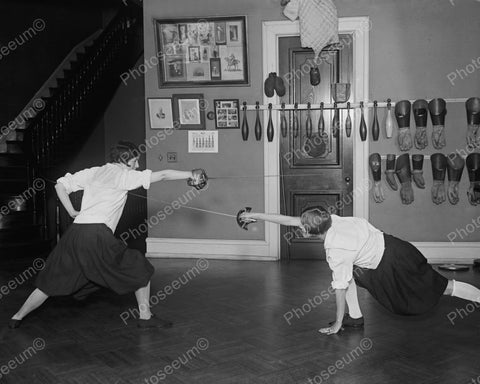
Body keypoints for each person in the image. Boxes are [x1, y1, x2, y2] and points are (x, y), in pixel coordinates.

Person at [9, 141, 208, 330]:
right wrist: (192, 173)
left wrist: (71, 211)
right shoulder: (124, 176)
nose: (137, 165)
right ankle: (145, 317)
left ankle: (17, 317)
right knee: (140, 267)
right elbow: (163, 175)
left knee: (50, 281)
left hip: (75, 233)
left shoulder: (94, 172)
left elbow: (59, 186)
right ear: (125, 160)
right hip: (96, 235)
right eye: (135, 161)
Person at [240, 206, 480, 335]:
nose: (299, 228)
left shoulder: (337, 249)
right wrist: (256, 216)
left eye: (303, 227)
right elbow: (289, 219)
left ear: (312, 232)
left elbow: (339, 288)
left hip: (394, 263)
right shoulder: (330, 219)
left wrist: (335, 324)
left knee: (442, 287)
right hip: (394, 248)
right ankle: (355, 318)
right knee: (355, 273)